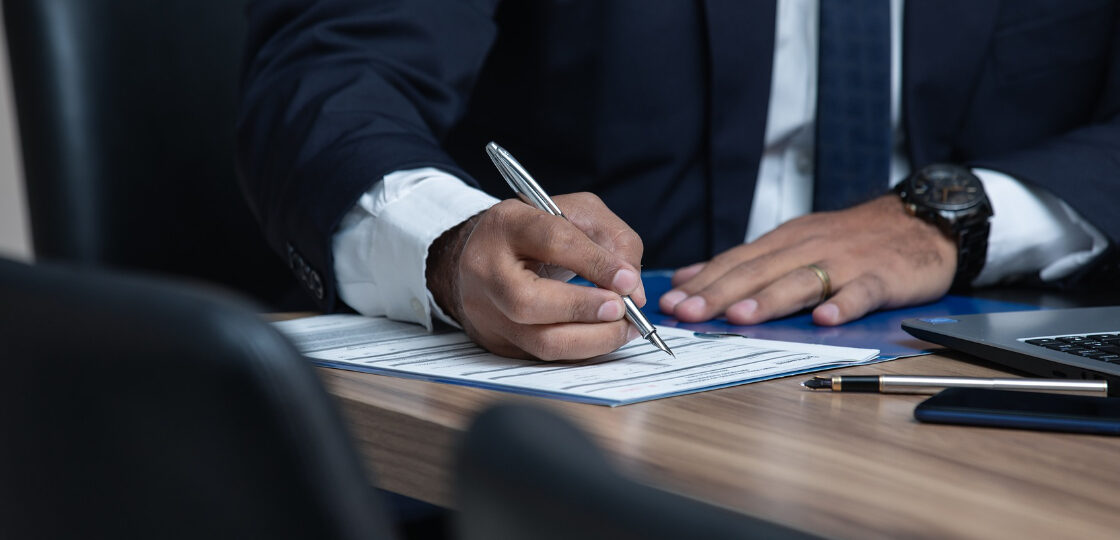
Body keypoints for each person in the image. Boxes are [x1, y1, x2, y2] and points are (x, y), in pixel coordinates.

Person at [237, 0, 1120, 361]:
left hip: (980, 383)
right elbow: (333, 74)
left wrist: (955, 217)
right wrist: (447, 243)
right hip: (597, 398)